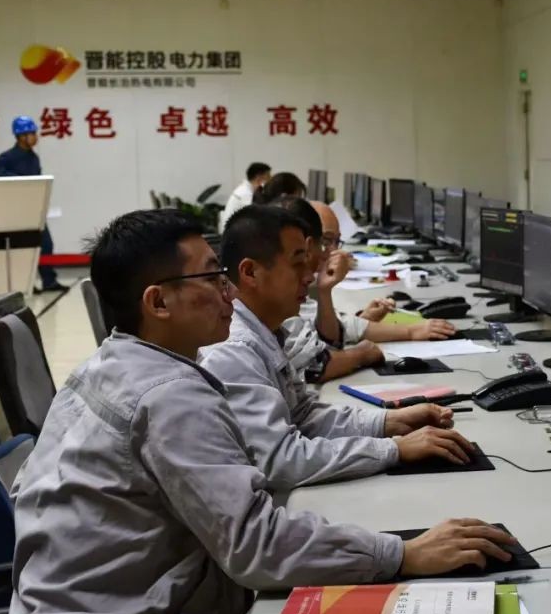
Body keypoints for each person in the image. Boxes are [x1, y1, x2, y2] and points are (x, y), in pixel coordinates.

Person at [9, 208, 514, 614]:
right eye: (212, 276)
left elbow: (297, 421)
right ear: (158, 303)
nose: (229, 290)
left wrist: (386, 427)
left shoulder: (109, 364)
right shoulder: (168, 395)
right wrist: (405, 554)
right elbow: (256, 545)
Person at [199, 204, 478, 490]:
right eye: (297, 263)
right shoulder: (234, 350)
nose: (309, 276)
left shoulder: (267, 331)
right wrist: (394, 449)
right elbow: (281, 462)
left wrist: (388, 422)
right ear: (250, 272)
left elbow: (303, 417)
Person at [274, 197, 455, 384]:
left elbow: (328, 340)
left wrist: (326, 293)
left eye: (336, 241)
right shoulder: (280, 295)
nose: (330, 251)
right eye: (325, 241)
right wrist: (363, 353)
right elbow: (315, 365)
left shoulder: (296, 288)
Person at [0, 115, 64, 293]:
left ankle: (49, 281)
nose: (35, 137)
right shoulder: (9, 157)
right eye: (31, 133)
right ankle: (24, 285)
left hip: (35, 208)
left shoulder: (33, 158)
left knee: (46, 245)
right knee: (23, 248)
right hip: (18, 211)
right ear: (21, 136)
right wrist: (19, 181)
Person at [220, 162, 272, 231]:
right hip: (234, 233)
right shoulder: (245, 193)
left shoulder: (247, 190)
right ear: (258, 176)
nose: (270, 178)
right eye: (268, 175)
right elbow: (256, 216)